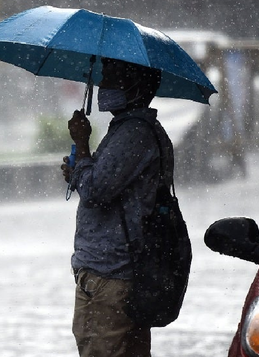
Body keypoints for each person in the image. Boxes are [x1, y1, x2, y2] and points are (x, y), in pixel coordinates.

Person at [60, 57, 174, 357]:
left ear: (135, 85)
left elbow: (97, 191)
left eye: (112, 76)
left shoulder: (133, 133)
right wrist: (80, 171)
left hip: (111, 274)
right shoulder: (130, 130)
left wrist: (82, 146)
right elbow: (108, 184)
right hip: (123, 270)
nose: (103, 85)